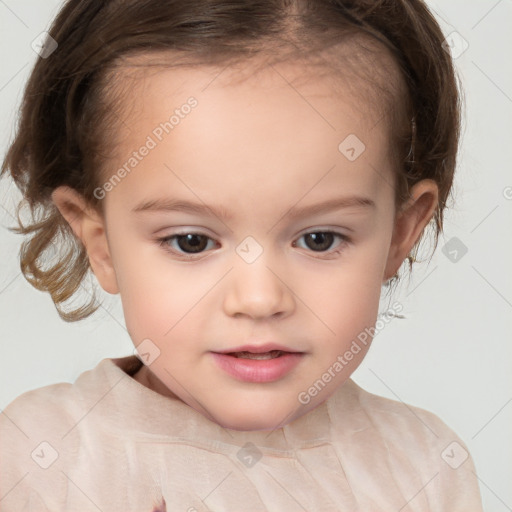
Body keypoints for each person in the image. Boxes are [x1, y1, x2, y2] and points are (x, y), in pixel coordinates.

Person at [0, 0, 483, 510]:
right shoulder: (39, 461)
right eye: (191, 241)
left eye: (320, 239)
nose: (258, 299)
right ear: (102, 244)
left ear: (399, 234)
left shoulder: (423, 468)